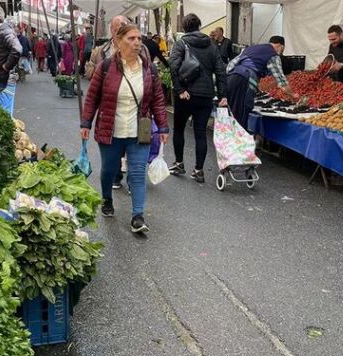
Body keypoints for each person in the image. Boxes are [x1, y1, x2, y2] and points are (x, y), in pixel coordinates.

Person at [80, 23, 169, 234]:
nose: (137, 42)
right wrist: (86, 123)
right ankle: (107, 199)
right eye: (131, 38)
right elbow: (92, 97)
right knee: (109, 171)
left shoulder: (150, 69)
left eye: (139, 38)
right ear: (118, 42)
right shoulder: (105, 67)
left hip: (139, 131)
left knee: (138, 173)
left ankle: (137, 216)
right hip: (110, 130)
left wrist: (163, 127)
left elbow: (157, 99)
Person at [168, 13, 227, 184]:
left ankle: (179, 164)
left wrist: (179, 90)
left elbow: (174, 65)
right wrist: (223, 95)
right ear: (199, 26)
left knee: (179, 129)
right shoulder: (212, 45)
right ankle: (199, 170)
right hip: (206, 95)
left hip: (186, 95)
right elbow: (221, 71)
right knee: (200, 133)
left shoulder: (181, 43)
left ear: (185, 28)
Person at [226, 36, 297, 132]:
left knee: (232, 114)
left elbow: (230, 65)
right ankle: (239, 143)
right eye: (282, 49)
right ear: (279, 46)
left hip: (231, 79)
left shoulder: (251, 48)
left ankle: (231, 143)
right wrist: (293, 95)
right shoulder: (273, 55)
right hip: (245, 80)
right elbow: (281, 81)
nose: (281, 52)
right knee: (242, 114)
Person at [85, 15, 150, 80]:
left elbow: (148, 74)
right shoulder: (99, 51)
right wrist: (104, 67)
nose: (120, 33)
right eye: (116, 30)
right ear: (111, 30)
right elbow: (89, 75)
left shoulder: (141, 49)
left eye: (123, 30)